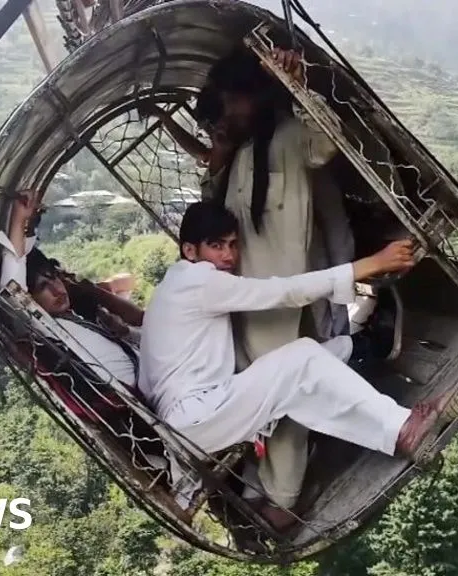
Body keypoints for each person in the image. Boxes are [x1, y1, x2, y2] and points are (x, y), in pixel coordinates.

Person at [137, 201, 448, 529]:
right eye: (215, 246)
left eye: (232, 245)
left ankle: (365, 349)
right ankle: (401, 428)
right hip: (194, 418)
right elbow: (282, 292)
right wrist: (368, 265)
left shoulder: (168, 288)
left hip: (190, 418)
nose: (228, 256)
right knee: (301, 359)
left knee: (306, 362)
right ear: (190, 250)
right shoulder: (200, 281)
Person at [198, 45, 373, 519]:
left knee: (286, 397)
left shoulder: (291, 138)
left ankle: (284, 500)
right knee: (256, 400)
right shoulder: (239, 155)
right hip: (243, 303)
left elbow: (328, 142)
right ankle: (263, 481)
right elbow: (214, 214)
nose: (226, 112)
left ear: (256, 96)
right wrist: (219, 155)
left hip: (286, 304)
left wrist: (300, 86)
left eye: (232, 101)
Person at [0, 189, 143, 386]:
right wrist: (19, 220)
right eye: (42, 287)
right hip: (141, 388)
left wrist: (28, 226)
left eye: (54, 278)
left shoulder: (75, 318)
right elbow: (13, 290)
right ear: (30, 299)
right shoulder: (42, 327)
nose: (57, 290)